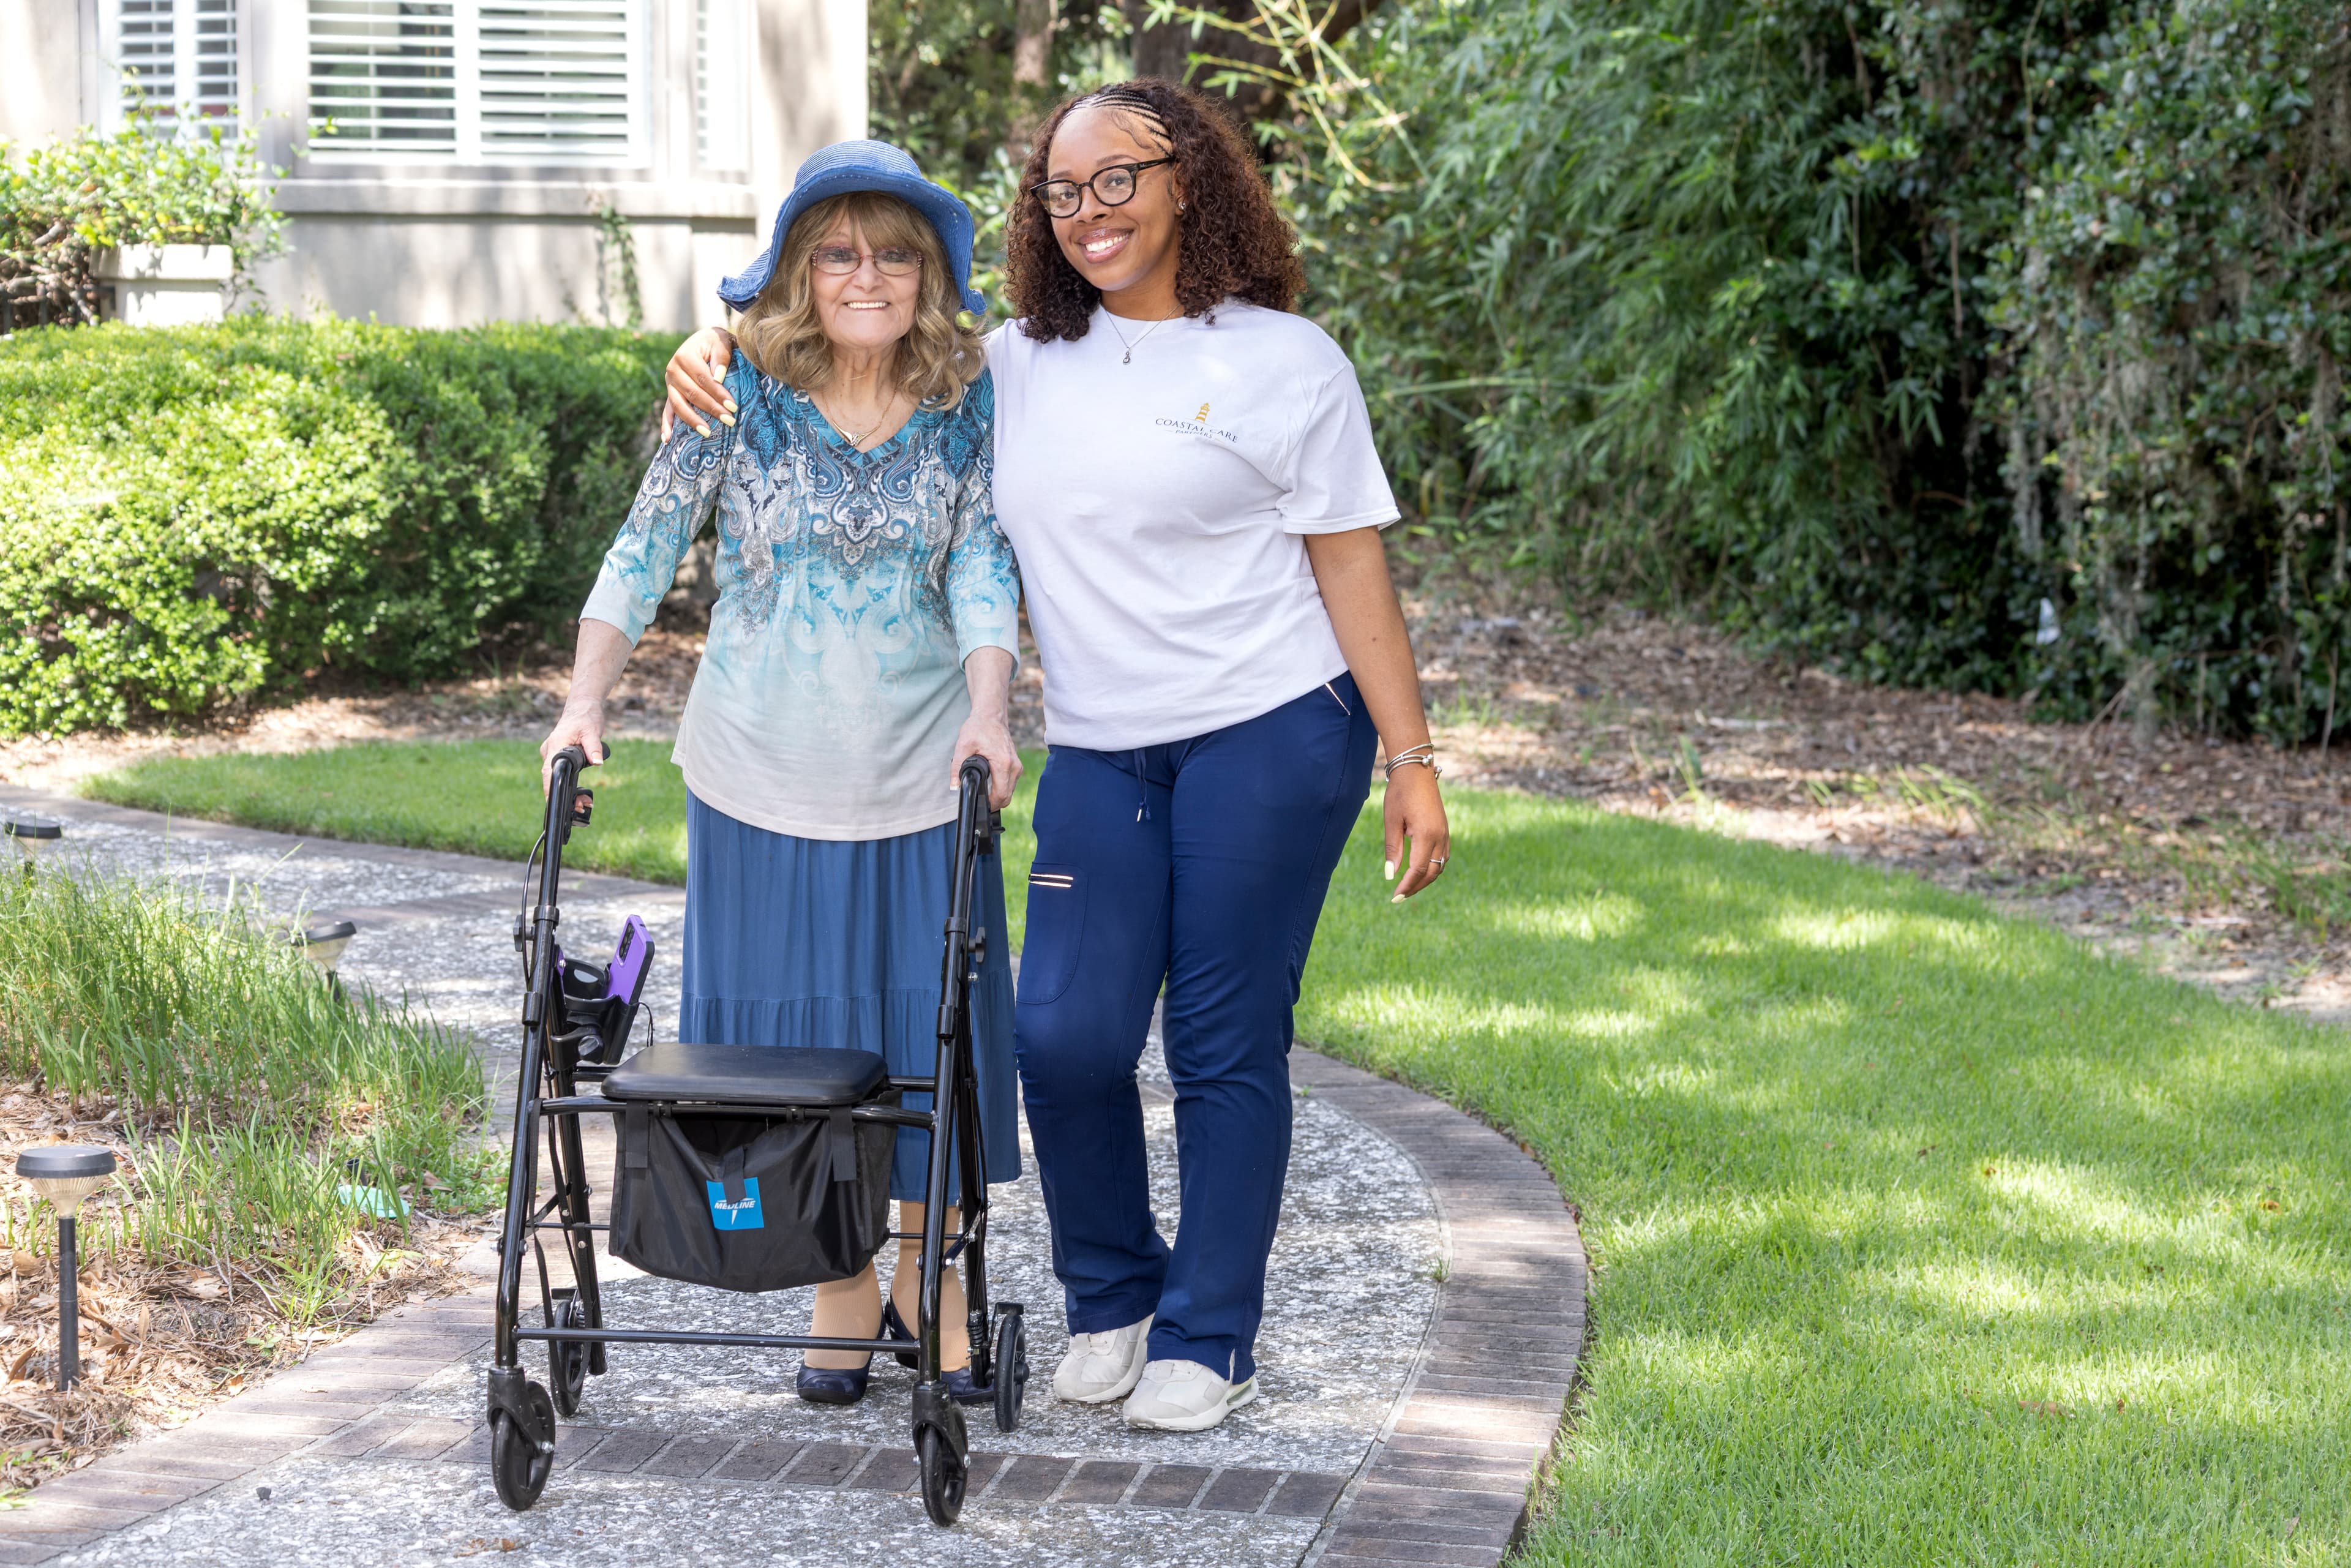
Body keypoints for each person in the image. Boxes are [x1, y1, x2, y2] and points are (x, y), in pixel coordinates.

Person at [660, 80, 1450, 1433]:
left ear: (1189, 179)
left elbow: (1350, 563)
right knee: (1066, 1039)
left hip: (1272, 729)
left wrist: (1411, 755)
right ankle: (1113, 1296)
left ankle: (1209, 1334)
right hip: (1101, 746)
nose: (1090, 213)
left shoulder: (1285, 360)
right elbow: (861, 335)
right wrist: (714, 339)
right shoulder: (1016, 361)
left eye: (1118, 180)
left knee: (1217, 1036)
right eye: (1062, 193)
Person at [544, 140, 1024, 1409]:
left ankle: (931, 1272)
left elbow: (983, 560)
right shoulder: (738, 392)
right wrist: (584, 700)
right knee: (794, 1047)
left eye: (896, 253)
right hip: (758, 771)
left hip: (927, 769)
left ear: (931, 272)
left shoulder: (966, 397)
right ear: (803, 275)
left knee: (927, 1035)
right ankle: (840, 1279)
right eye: (841, 251)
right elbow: (647, 542)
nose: (869, 274)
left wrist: (994, 711)